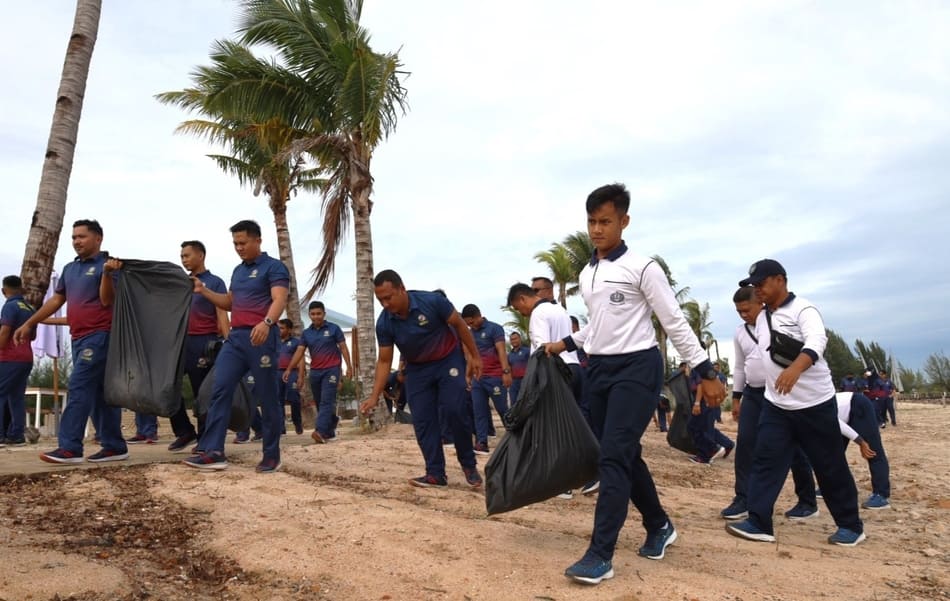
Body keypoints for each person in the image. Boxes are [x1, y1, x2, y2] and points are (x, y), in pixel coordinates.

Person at [542, 184, 725, 585]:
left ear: (624, 221)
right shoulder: (588, 272)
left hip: (638, 370)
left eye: (605, 221)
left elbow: (673, 320)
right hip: (600, 371)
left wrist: (705, 372)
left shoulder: (643, 268)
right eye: (591, 221)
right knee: (621, 454)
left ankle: (600, 554)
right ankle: (659, 524)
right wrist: (564, 343)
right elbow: (598, 325)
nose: (596, 230)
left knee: (612, 459)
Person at [725, 259, 865, 547]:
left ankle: (851, 526)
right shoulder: (761, 317)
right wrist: (740, 394)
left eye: (761, 284)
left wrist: (795, 368)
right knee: (765, 461)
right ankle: (759, 521)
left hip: (814, 404)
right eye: (754, 285)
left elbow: (817, 341)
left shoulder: (803, 309)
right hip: (776, 406)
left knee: (829, 465)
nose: (757, 290)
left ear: (779, 280)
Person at [15, 219, 129, 464]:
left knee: (78, 387)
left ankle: (70, 448)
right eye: (74, 237)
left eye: (82, 237)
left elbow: (108, 300)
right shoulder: (70, 268)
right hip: (78, 338)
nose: (77, 241)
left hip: (100, 336)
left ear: (98, 238)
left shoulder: (110, 265)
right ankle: (115, 446)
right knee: (99, 394)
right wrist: (30, 322)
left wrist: (107, 275)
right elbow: (56, 301)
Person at [359, 269, 484, 489]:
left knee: (456, 410)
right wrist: (374, 395)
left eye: (389, 297)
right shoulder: (384, 323)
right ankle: (435, 473)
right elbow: (384, 361)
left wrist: (474, 356)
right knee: (424, 421)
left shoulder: (432, 302)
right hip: (417, 370)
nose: (385, 304)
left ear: (402, 289)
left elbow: (459, 325)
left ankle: (468, 464)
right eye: (380, 300)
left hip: (448, 361)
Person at [182, 220, 288, 473]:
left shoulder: (274, 267)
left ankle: (271, 455)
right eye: (235, 244)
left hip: (261, 337)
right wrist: (203, 291)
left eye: (243, 243)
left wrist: (267, 322)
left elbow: (279, 298)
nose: (238, 248)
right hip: (236, 340)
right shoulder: (238, 271)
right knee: (219, 390)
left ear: (257, 240)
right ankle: (214, 452)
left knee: (268, 395)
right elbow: (229, 302)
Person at [720, 286, 818, 521]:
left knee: (793, 447)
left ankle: (807, 501)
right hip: (753, 394)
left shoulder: (776, 323)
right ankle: (742, 498)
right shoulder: (740, 333)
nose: (743, 314)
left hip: (779, 393)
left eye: (747, 309)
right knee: (745, 445)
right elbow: (739, 366)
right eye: (738, 311)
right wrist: (736, 397)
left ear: (760, 304)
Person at [507, 282, 596, 499]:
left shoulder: (538, 314)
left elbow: (542, 349)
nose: (523, 314)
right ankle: (590, 474)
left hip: (555, 372)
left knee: (554, 427)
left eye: (520, 309)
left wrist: (535, 382)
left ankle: (562, 484)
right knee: (577, 425)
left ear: (522, 299)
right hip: (574, 369)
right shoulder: (560, 310)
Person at [167, 240, 230, 452]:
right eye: (182, 256)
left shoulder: (215, 282)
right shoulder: (179, 283)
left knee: (202, 394)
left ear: (201, 255)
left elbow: (222, 312)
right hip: (179, 344)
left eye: (187, 255)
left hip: (204, 343)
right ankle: (185, 432)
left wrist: (229, 342)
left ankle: (206, 440)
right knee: (168, 388)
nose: (183, 259)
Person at [284, 301, 353, 444]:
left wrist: (349, 366)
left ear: (324, 314)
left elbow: (343, 348)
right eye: (313, 314)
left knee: (327, 400)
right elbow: (299, 351)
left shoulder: (334, 329)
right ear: (309, 315)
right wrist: (290, 368)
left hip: (332, 370)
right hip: (315, 372)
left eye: (318, 314)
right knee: (321, 403)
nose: (316, 317)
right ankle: (331, 426)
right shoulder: (306, 333)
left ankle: (320, 431)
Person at [460, 304, 512, 454]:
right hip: (478, 379)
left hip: (495, 377)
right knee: (479, 411)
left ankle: (514, 436)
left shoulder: (494, 329)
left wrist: (506, 371)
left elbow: (501, 351)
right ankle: (481, 443)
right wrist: (468, 375)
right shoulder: (469, 334)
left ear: (478, 316)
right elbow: (469, 356)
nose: (471, 325)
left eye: (471, 322)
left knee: (502, 409)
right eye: (467, 324)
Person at [834, 391, 892, 509]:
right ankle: (833, 486)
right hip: (841, 416)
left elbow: (839, 424)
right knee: (833, 454)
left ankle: (881, 495)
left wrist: (861, 442)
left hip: (858, 405)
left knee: (873, 451)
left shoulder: (815, 411)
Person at [0, 276, 36, 446]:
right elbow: (33, 335)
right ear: (20, 288)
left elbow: (4, 332)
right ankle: (16, 436)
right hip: (26, 357)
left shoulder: (9, 306)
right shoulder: (29, 307)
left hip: (9, 357)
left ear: (3, 290)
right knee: (16, 397)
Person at [277, 318, 305, 435]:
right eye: (278, 328)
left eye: (282, 328)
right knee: (278, 401)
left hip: (291, 373)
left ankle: (297, 423)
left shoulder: (296, 342)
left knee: (294, 398)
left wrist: (300, 376)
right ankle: (281, 427)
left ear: (289, 330)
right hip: (276, 373)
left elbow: (301, 360)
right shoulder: (273, 342)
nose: (279, 330)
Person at [507, 331, 529, 406]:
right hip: (514, 382)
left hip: (525, 381)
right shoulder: (510, 355)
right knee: (514, 403)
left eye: (515, 339)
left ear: (520, 339)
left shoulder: (527, 351)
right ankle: (515, 418)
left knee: (525, 403)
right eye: (512, 339)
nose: (514, 341)